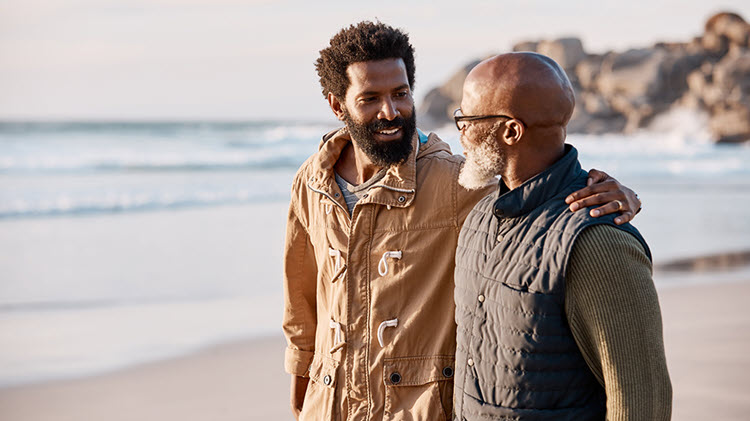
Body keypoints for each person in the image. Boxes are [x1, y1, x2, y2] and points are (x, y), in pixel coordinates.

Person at [283, 21, 641, 421]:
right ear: (337, 105)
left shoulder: (453, 180)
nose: (391, 111)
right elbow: (301, 300)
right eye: (370, 98)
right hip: (326, 405)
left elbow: (533, 179)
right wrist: (301, 388)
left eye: (400, 94)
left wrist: (616, 192)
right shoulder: (312, 182)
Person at [452, 52, 671, 420]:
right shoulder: (478, 217)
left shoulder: (599, 243)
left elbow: (640, 401)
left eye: (466, 119)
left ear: (510, 131)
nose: (460, 131)